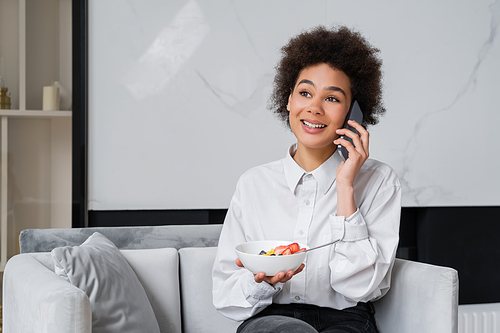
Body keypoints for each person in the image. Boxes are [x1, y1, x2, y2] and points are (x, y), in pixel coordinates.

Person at [212, 25, 401, 333]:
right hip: (271, 319)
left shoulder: (380, 181)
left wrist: (345, 187)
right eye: (305, 93)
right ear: (288, 100)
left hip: (347, 320)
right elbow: (227, 295)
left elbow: (360, 288)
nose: (314, 107)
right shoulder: (253, 184)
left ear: (353, 114)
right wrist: (264, 283)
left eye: (332, 98)